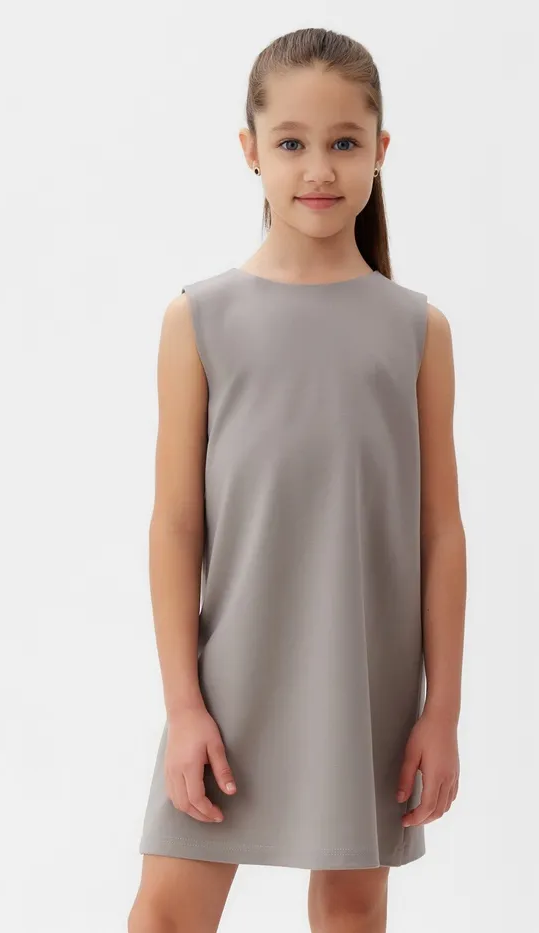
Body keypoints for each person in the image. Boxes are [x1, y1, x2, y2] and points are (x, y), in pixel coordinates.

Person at [128, 26, 466, 933]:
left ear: (380, 150)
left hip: (364, 678)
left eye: (344, 142)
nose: (319, 169)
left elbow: (440, 532)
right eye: (291, 143)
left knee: (352, 907)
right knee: (167, 913)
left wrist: (441, 711)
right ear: (251, 151)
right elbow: (175, 526)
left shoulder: (417, 331)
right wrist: (184, 705)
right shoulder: (200, 319)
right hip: (229, 681)